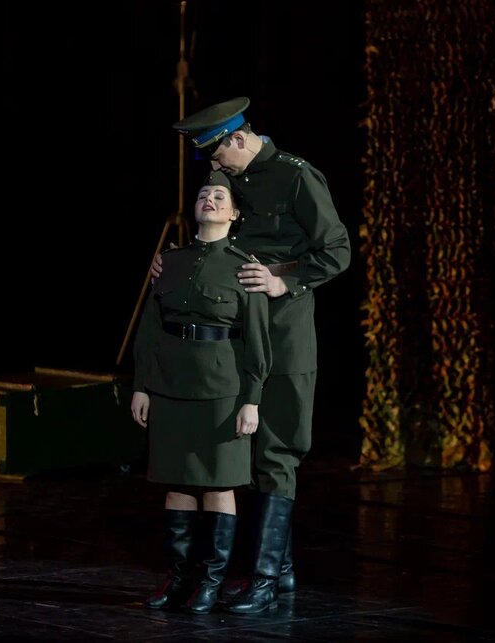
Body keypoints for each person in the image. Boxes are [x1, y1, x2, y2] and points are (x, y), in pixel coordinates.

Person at [153, 97, 352, 614]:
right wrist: (173, 267)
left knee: (276, 453)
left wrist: (285, 281)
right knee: (243, 454)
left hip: (283, 332)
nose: (216, 169)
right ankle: (278, 573)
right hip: (236, 339)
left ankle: (264, 581)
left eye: (219, 156)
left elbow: (337, 250)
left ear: (239, 139)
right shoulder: (232, 179)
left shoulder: (297, 177)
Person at [131, 170, 272, 614]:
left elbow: (257, 340)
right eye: (203, 194)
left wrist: (252, 399)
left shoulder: (243, 267)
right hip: (170, 384)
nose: (209, 199)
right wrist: (141, 386)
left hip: (221, 391)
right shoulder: (170, 262)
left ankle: (210, 584)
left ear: (234, 214)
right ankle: (178, 581)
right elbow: (149, 329)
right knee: (176, 482)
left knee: (218, 483)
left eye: (219, 196)